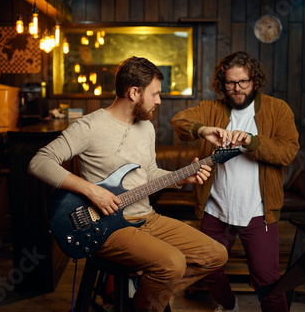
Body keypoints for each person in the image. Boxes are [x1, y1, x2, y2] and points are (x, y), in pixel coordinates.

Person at [28, 56, 228, 312]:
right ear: (134, 92)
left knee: (215, 254)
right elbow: (39, 162)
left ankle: (143, 298)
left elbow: (149, 173)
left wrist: (182, 177)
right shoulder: (89, 126)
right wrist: (93, 191)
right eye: (155, 94)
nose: (159, 101)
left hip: (148, 218)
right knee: (173, 263)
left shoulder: (146, 127)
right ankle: (148, 298)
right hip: (108, 227)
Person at [171, 51, 300, 312]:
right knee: (206, 269)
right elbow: (179, 121)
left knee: (268, 282)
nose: (237, 89)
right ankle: (229, 305)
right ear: (223, 83)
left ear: (255, 80)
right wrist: (204, 130)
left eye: (243, 82)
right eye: (230, 83)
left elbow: (287, 151)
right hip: (216, 210)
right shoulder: (211, 109)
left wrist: (252, 142)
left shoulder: (277, 109)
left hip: (258, 212)